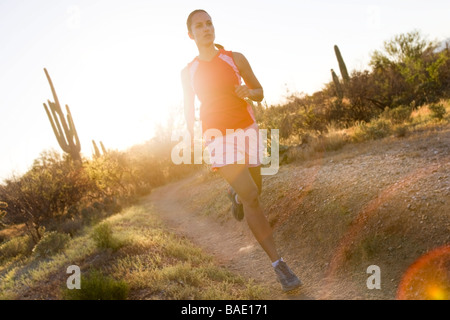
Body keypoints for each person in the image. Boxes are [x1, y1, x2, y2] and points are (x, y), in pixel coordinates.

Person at [181, 9, 301, 293]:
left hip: (247, 129)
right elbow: (188, 107)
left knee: (253, 189)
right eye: (199, 26)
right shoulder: (188, 72)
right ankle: (279, 265)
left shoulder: (235, 58)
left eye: (209, 23)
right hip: (216, 136)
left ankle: (233, 193)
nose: (206, 28)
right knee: (252, 196)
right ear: (191, 35)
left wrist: (249, 92)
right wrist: (191, 137)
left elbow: (260, 91)